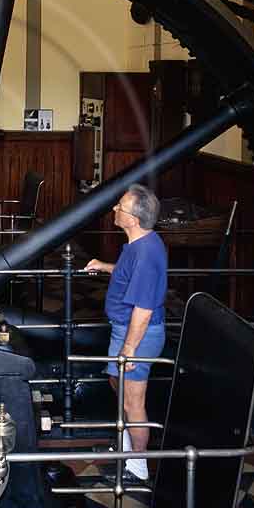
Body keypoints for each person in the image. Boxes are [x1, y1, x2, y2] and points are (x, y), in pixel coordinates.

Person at [84, 183, 166, 481]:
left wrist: (129, 349)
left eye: (120, 207)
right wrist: (105, 267)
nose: (114, 210)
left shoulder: (146, 255)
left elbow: (143, 312)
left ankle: (138, 466)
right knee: (116, 384)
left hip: (138, 335)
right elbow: (126, 271)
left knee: (133, 402)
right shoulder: (138, 245)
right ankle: (126, 447)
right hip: (125, 330)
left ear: (132, 218)